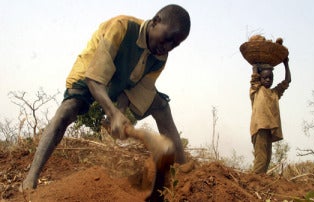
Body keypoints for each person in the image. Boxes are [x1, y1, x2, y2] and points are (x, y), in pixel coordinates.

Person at [22, 4, 191, 192]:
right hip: (90, 73)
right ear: (155, 22)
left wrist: (118, 113)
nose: (167, 47)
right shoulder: (122, 27)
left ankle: (184, 173)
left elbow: (134, 89)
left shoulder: (160, 58)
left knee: (162, 107)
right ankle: (30, 181)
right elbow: (94, 79)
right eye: (167, 38)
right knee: (67, 110)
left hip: (121, 82)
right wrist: (112, 113)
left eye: (175, 44)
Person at [250, 58, 291, 174]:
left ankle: (258, 183)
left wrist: (286, 63)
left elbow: (288, 80)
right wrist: (255, 68)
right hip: (259, 128)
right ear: (260, 79)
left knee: (267, 159)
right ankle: (254, 183)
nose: (268, 80)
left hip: (269, 129)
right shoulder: (256, 90)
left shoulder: (275, 93)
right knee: (261, 159)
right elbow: (254, 78)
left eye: (270, 78)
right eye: (265, 78)